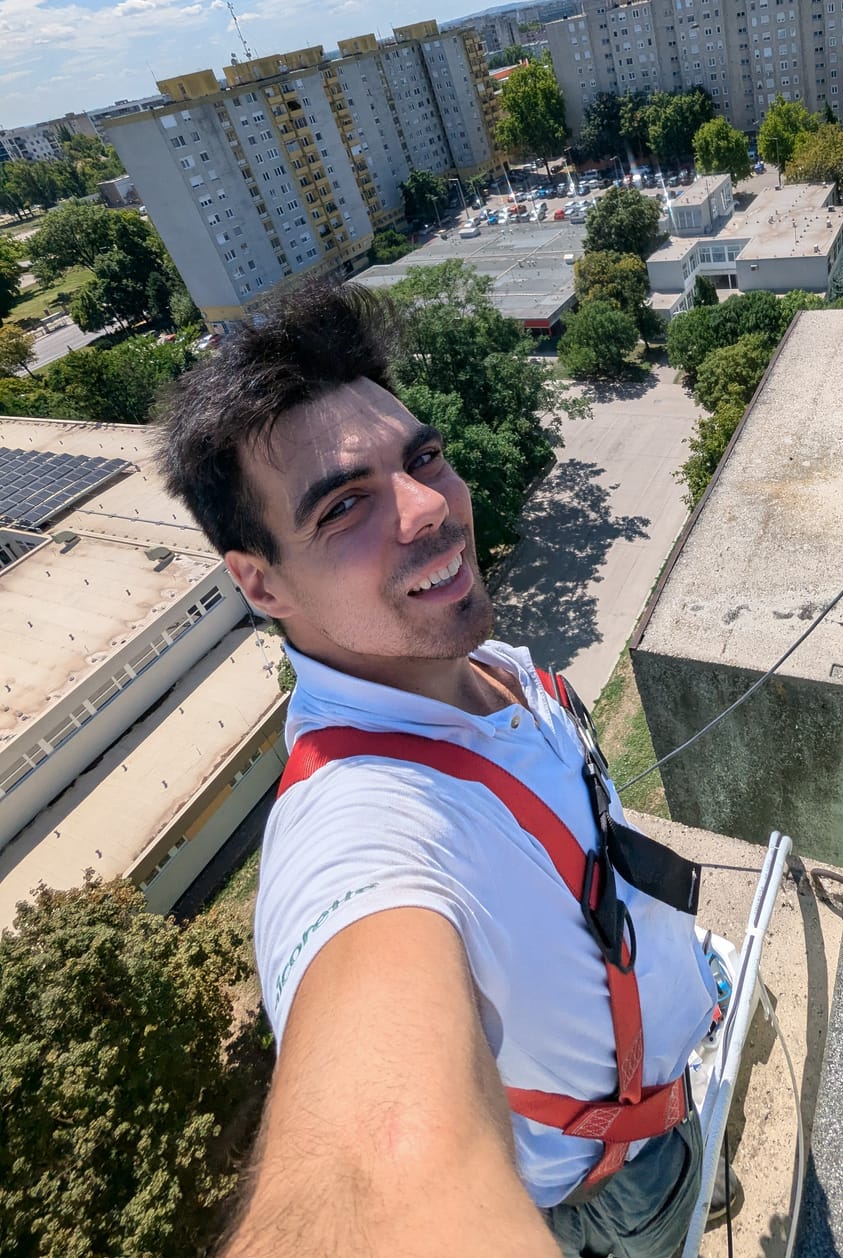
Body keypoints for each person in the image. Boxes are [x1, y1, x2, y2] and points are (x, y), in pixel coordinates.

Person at [158, 281, 721, 1257]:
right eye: (345, 506)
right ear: (259, 581)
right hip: (608, 1196)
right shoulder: (361, 830)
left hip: (666, 1106)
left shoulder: (488, 666)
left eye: (422, 459)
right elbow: (377, 1169)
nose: (431, 508)